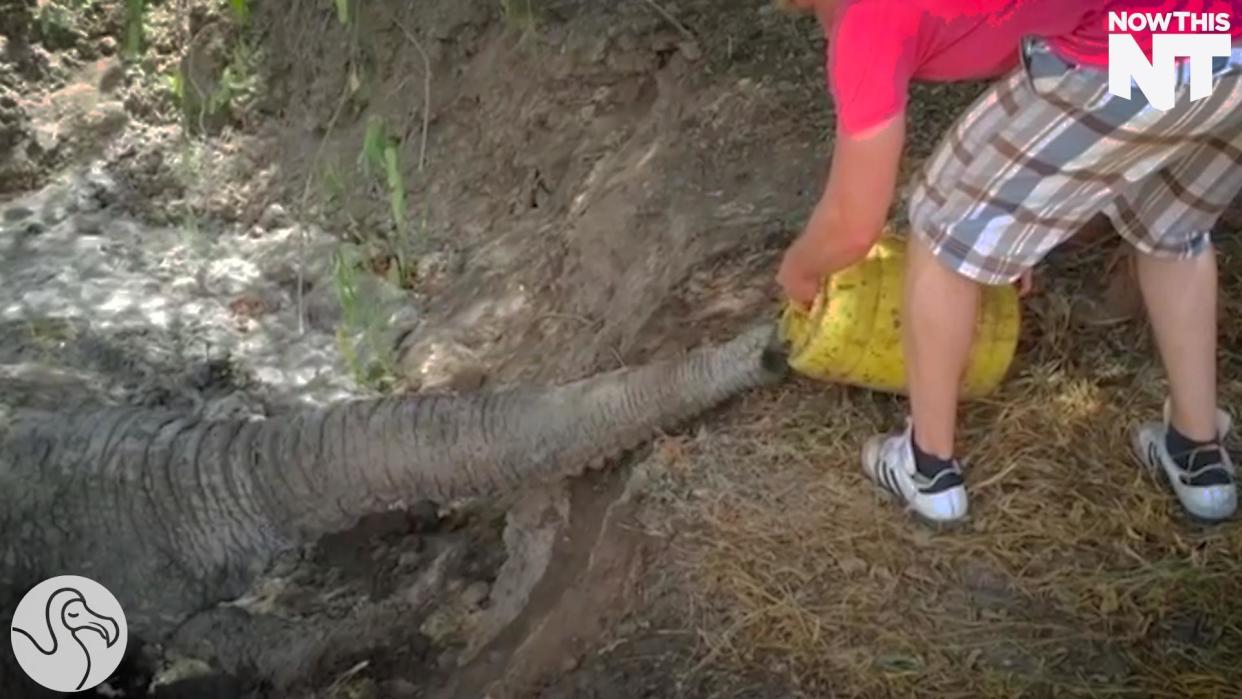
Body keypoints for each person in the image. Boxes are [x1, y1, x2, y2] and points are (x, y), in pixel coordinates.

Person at [775, 0, 1242, 523]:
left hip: (1135, 49)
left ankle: (928, 470)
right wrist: (1016, 222)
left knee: (941, 220)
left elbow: (854, 224)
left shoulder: (870, 23)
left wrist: (801, 268)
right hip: (1227, 44)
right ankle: (1198, 454)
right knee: (1172, 230)